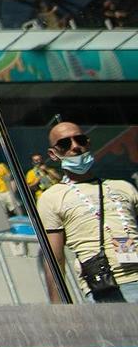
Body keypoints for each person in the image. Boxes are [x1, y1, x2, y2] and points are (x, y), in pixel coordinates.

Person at [37, 120, 138, 303]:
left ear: (88, 143)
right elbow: (54, 259)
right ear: (53, 154)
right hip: (105, 288)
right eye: (65, 143)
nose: (75, 147)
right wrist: (59, 310)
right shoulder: (51, 197)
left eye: (80, 140)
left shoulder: (123, 187)